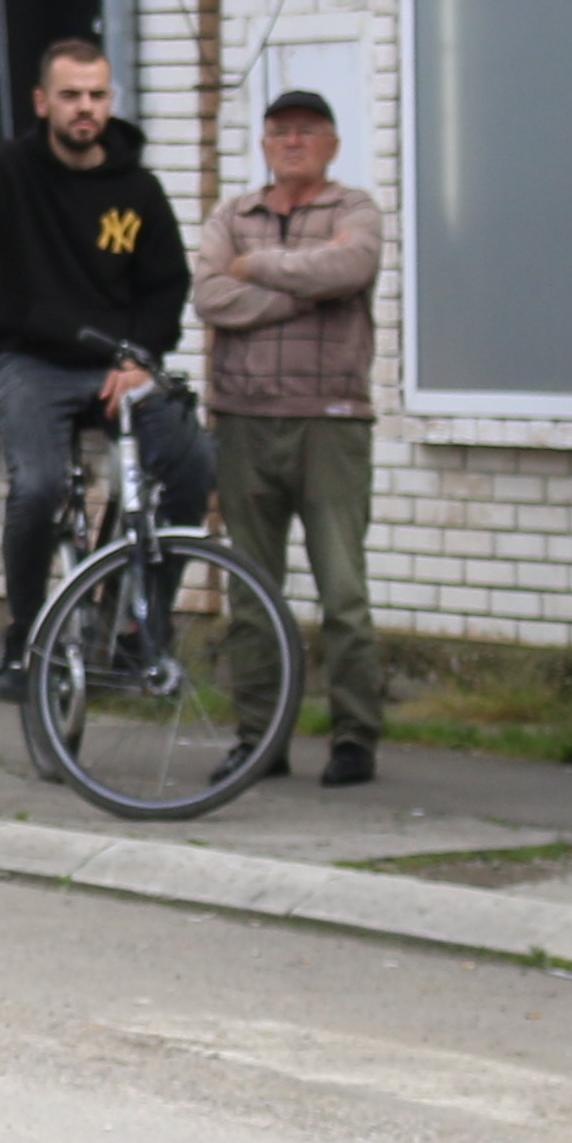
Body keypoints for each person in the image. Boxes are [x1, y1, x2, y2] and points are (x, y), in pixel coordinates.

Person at [0, 37, 206, 676]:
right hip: (33, 364)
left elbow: (166, 285)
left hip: (118, 363)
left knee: (194, 466)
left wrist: (142, 358)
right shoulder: (8, 170)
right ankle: (25, 634)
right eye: (70, 96)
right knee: (35, 489)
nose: (84, 108)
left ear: (109, 99)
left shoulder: (139, 190)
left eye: (96, 95)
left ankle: (135, 624)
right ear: (42, 102)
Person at [193, 87, 386, 785]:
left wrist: (256, 270)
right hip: (243, 420)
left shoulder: (355, 210)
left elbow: (351, 267)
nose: (293, 141)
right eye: (280, 131)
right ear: (265, 144)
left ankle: (355, 739)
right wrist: (306, 291)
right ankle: (259, 740)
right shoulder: (231, 214)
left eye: (308, 130)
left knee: (342, 591)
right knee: (251, 595)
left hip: (330, 422)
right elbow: (210, 295)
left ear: (332, 143)